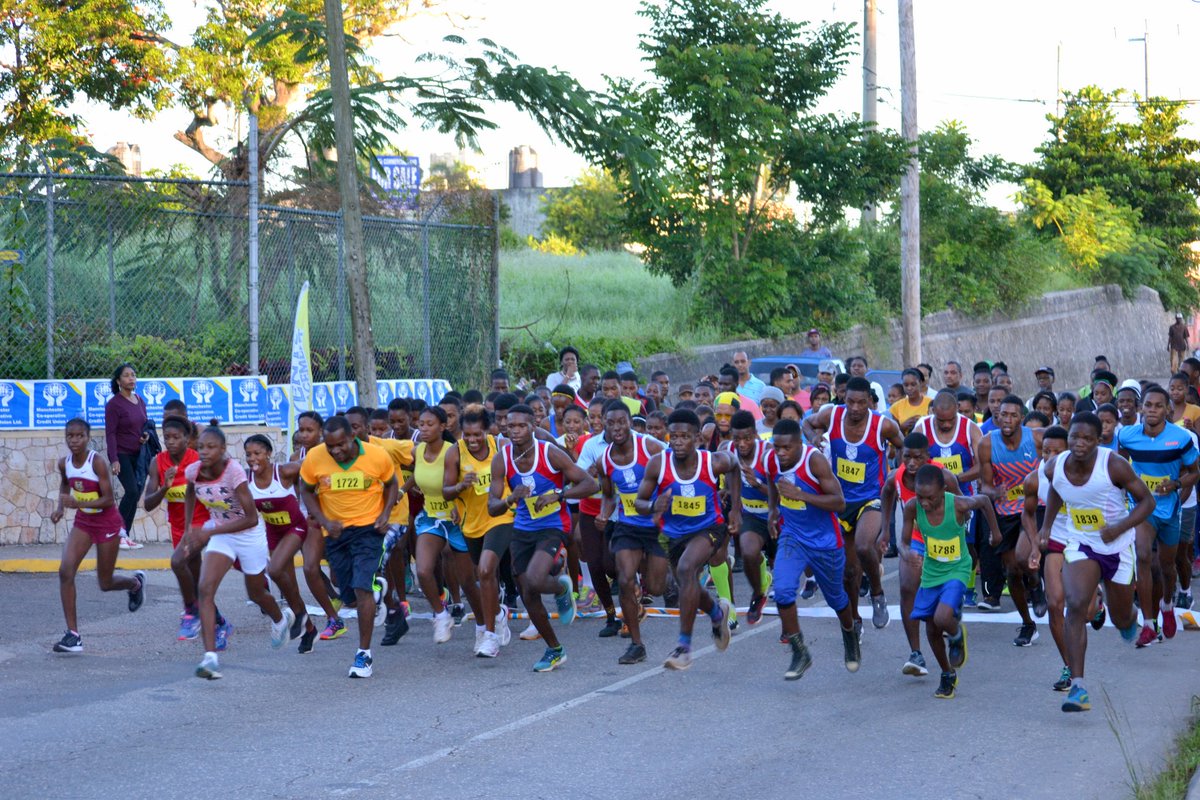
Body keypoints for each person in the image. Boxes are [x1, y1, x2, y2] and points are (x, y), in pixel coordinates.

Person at [1040, 413, 1155, 712]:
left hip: (1117, 547)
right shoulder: (1056, 465)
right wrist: (1046, 527)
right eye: (1074, 437)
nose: (1079, 443)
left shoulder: (1113, 464)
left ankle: (1127, 615)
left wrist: (1119, 527)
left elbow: (1147, 502)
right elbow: (1056, 489)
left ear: (1099, 440)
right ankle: (1078, 686)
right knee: (1076, 604)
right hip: (1082, 544)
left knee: (1121, 619)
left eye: (1087, 439)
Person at [486, 404, 598, 671]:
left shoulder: (550, 454)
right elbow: (492, 506)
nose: (515, 431)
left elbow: (590, 484)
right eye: (510, 426)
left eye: (521, 426)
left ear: (533, 426)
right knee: (527, 591)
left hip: (553, 524)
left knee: (536, 580)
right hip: (523, 528)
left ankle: (561, 587)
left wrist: (559, 495)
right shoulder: (502, 458)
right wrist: (511, 498)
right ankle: (554, 650)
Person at [634, 409, 741, 670]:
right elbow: (639, 502)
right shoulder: (658, 464)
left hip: (709, 529)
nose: (678, 441)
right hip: (673, 535)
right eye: (675, 436)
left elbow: (735, 466)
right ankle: (717, 614)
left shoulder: (713, 462)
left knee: (685, 569)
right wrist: (652, 506)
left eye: (685, 436)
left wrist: (736, 508)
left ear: (697, 439)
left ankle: (684, 647)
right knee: (686, 583)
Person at [183, 426, 291, 680]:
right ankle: (210, 658)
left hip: (249, 534)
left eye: (211, 447)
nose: (204, 452)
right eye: (201, 447)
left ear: (223, 450)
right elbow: (190, 493)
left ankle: (279, 619)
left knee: (255, 592)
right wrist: (190, 526)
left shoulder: (234, 473)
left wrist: (207, 533)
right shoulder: (194, 471)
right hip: (221, 533)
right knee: (205, 589)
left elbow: (252, 518)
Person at [299, 416, 399, 678]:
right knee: (350, 597)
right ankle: (376, 588)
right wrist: (323, 521)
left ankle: (363, 654)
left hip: (368, 530)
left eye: (340, 445)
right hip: (336, 532)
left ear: (352, 437)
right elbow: (306, 490)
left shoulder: (377, 456)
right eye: (330, 446)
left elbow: (391, 484)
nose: (335, 451)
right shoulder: (315, 457)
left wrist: (386, 512)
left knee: (361, 587)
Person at [802, 376, 904, 634]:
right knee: (848, 572)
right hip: (840, 500)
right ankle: (855, 620)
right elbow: (806, 422)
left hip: (871, 498)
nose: (856, 408)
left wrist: (898, 473)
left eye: (861, 403)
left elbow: (905, 446)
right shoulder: (831, 415)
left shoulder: (883, 425)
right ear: (842, 398)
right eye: (850, 402)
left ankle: (878, 593)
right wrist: (814, 438)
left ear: (870, 401)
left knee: (862, 545)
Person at [765, 418, 860, 678]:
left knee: (837, 600)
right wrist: (773, 510)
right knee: (783, 591)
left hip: (825, 542)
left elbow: (839, 503)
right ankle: (800, 652)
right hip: (792, 536)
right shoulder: (770, 459)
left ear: (800, 443)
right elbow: (773, 484)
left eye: (787, 448)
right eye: (777, 447)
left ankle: (850, 634)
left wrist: (801, 495)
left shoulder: (814, 460)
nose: (781, 453)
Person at [903, 465, 1000, 700]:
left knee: (943, 618)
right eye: (920, 497)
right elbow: (904, 542)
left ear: (944, 490)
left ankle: (956, 635)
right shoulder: (912, 507)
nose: (924, 503)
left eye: (931, 498)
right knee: (932, 628)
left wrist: (995, 533)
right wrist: (907, 554)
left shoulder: (957, 504)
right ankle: (947, 674)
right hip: (932, 571)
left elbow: (985, 501)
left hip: (957, 568)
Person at [51, 418, 146, 653]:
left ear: (87, 437)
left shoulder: (98, 463)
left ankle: (135, 583)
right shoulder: (65, 463)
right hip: (84, 521)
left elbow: (108, 500)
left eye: (79, 436)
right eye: (70, 436)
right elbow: (65, 484)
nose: (74, 440)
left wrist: (74, 502)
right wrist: (61, 508)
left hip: (106, 522)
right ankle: (73, 635)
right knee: (65, 571)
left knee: (105, 582)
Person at [1117, 385, 1200, 646]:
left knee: (1167, 567)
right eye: (1148, 405)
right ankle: (1149, 624)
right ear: (1142, 408)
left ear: (1168, 410)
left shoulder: (1181, 438)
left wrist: (1175, 485)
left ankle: (1166, 605)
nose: (1151, 410)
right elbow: (1120, 467)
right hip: (1142, 506)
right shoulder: (1127, 436)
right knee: (1142, 556)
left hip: (1170, 508)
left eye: (1157, 406)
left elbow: (1194, 472)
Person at [879, 433, 962, 677]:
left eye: (918, 458)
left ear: (928, 457)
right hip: (916, 540)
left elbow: (961, 502)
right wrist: (885, 531)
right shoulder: (897, 477)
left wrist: (960, 533)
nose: (912, 463)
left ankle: (952, 623)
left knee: (943, 600)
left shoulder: (943, 476)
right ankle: (916, 653)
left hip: (946, 540)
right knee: (907, 587)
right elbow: (886, 494)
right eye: (907, 457)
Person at [597, 400, 668, 664]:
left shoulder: (650, 447)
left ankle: (657, 569)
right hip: (628, 525)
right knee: (625, 580)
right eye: (611, 422)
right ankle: (637, 645)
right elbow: (608, 496)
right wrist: (604, 513)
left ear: (630, 422)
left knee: (658, 587)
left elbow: (675, 469)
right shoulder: (604, 459)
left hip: (658, 525)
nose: (616, 427)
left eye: (621, 422)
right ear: (603, 423)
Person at [444, 406, 514, 658]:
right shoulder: (455, 453)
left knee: (485, 570)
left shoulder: (501, 446)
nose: (472, 440)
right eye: (467, 435)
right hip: (471, 522)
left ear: (487, 430)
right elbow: (446, 490)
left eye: (477, 434)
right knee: (484, 575)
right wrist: (462, 485)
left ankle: (490, 636)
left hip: (501, 516)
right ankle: (498, 614)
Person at [144, 416, 219, 643]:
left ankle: (191, 613)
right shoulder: (158, 462)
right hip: (179, 527)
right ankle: (219, 622)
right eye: (167, 437)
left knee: (177, 562)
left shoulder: (197, 460)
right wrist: (164, 488)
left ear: (188, 439)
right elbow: (148, 503)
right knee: (197, 583)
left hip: (202, 524)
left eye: (177, 437)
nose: (171, 442)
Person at [977, 395, 1044, 647]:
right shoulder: (986, 444)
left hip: (1034, 506)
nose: (1006, 419)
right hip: (1005, 511)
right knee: (1013, 572)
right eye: (1003, 414)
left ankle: (1036, 584)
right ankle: (1028, 624)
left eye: (1013, 415)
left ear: (1022, 418)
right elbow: (984, 484)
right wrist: (993, 492)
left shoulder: (1036, 438)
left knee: (1022, 556)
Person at [244, 434, 317, 652]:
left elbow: (314, 463)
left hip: (296, 527)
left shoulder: (284, 471)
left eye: (257, 453)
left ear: (269, 453)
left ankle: (301, 615)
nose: (252, 458)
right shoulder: (246, 480)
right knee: (290, 588)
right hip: (273, 533)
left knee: (274, 570)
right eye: (248, 454)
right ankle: (310, 630)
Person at [1019, 426, 1074, 690]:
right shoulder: (1034, 479)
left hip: (1085, 541)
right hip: (1055, 542)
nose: (1050, 457)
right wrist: (1034, 545)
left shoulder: (1085, 475)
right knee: (1055, 605)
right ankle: (1070, 667)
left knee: (1083, 609)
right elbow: (1027, 514)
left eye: (1057, 452)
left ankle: (1096, 604)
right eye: (1045, 451)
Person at [724, 410, 774, 624]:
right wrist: (734, 507)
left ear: (755, 434)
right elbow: (733, 476)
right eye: (737, 438)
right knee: (748, 551)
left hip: (776, 514)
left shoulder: (769, 453)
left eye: (747, 438)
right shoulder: (728, 450)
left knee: (782, 573)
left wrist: (758, 485)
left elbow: (782, 493)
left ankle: (788, 629)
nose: (742, 443)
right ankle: (757, 594)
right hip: (752, 515)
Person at [104, 362, 148, 550]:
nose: (131, 378)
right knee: (131, 491)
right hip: (122, 455)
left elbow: (144, 425)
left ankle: (124, 535)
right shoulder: (114, 404)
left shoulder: (139, 400)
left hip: (139, 456)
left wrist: (145, 436)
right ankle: (116, 531)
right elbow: (111, 433)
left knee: (136, 493)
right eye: (127, 375)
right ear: (118, 381)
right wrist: (114, 459)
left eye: (133, 375)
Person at [889, 368, 933, 434]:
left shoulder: (931, 403)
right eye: (906, 385)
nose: (909, 388)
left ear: (920, 383)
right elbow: (894, 435)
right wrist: (902, 427)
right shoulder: (896, 407)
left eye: (913, 384)